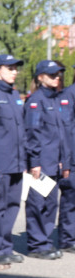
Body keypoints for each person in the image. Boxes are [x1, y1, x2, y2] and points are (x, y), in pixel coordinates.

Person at [23, 59, 69, 260]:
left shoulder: (55, 100)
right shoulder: (36, 101)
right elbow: (32, 133)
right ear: (40, 77)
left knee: (51, 205)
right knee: (38, 205)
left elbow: (60, 134)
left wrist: (63, 160)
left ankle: (45, 241)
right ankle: (37, 245)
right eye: (52, 74)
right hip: (41, 163)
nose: (57, 77)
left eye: (58, 74)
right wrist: (34, 162)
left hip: (54, 162)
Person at [0, 54, 26, 266]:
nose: (14, 71)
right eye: (9, 68)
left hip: (17, 162)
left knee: (12, 206)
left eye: (15, 68)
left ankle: (5, 246)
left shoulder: (15, 95)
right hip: (0, 163)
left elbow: (21, 130)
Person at [58, 74, 75, 253]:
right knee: (71, 199)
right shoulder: (70, 93)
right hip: (73, 154)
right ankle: (67, 239)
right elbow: (67, 128)